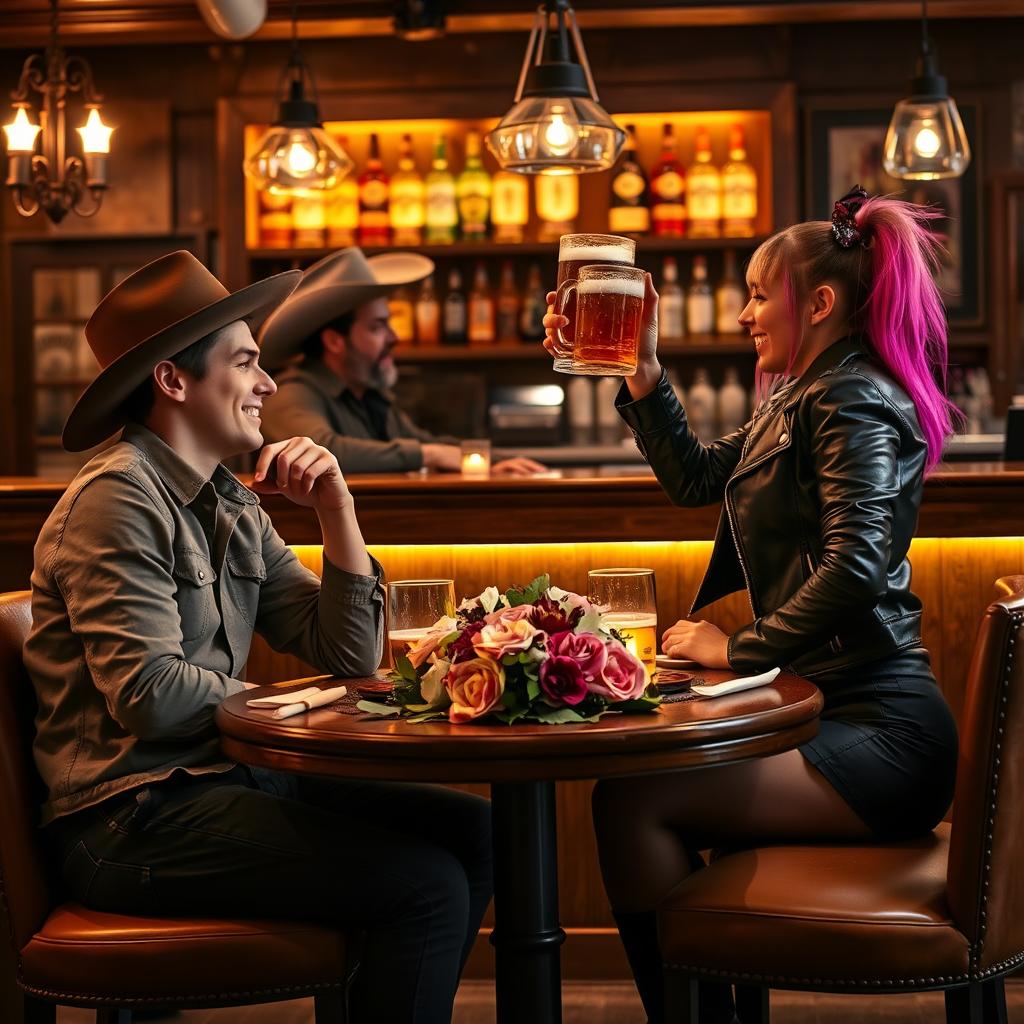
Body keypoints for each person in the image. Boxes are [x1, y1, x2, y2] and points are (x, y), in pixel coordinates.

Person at [25, 250, 492, 1023]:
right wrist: (280, 704)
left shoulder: (230, 502)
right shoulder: (119, 497)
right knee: (426, 886)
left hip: (219, 785)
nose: (269, 384)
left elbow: (346, 654)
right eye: (245, 362)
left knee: (474, 832)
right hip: (129, 818)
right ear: (174, 381)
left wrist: (336, 510)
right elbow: (149, 696)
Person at [543, 187, 960, 1024]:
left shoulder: (854, 397)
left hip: (884, 734)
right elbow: (698, 478)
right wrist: (643, 369)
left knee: (632, 800)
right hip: (828, 717)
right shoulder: (798, 395)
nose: (743, 315)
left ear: (820, 302)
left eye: (758, 294)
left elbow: (859, 563)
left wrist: (736, 649)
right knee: (635, 794)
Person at [258, 247, 546, 475]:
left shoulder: (369, 396)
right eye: (377, 327)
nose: (393, 337)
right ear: (334, 341)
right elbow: (322, 450)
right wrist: (428, 455)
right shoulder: (292, 392)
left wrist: (499, 461)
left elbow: (425, 442)